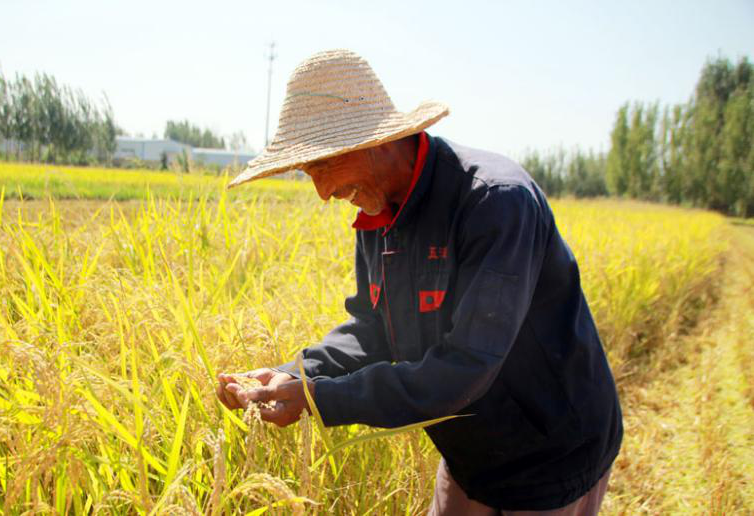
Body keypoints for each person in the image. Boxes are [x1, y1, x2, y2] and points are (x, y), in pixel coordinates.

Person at [216, 49, 623, 515]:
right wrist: (293, 374)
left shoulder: (494, 203)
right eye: (311, 174)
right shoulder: (376, 213)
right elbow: (372, 330)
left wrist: (315, 398)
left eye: (324, 167)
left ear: (377, 140)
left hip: (551, 456)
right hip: (471, 455)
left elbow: (466, 366)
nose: (323, 193)